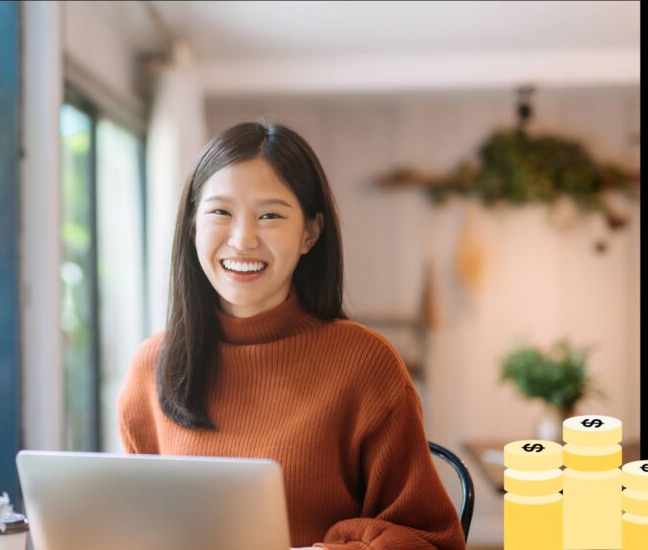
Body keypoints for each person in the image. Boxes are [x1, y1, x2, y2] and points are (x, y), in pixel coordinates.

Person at [117, 120, 467, 550]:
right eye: (220, 212)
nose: (243, 239)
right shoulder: (151, 368)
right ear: (192, 225)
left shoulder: (364, 363)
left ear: (309, 233)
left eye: (270, 215)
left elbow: (433, 541)